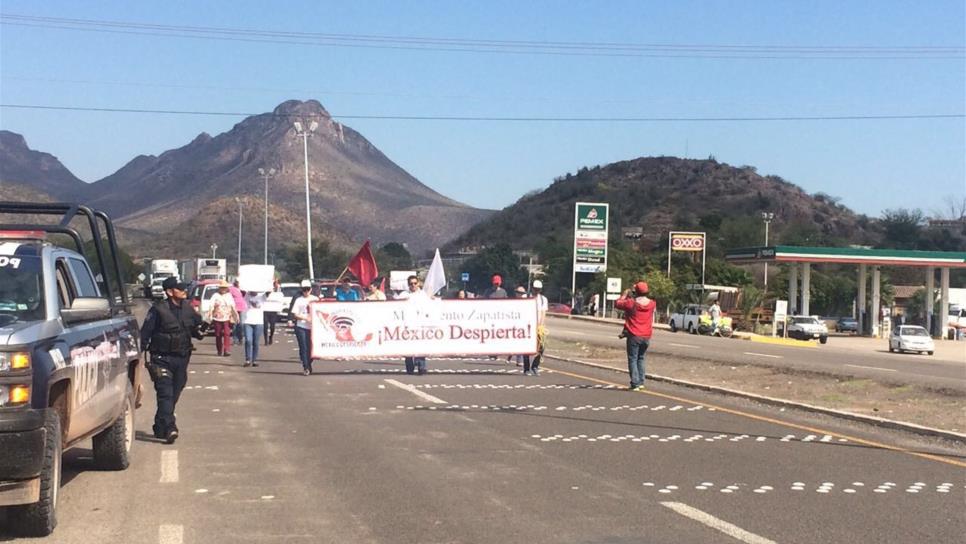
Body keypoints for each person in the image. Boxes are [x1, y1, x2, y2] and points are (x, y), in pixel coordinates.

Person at [139, 276, 205, 443]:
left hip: (181, 359)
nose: (184, 291)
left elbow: (197, 328)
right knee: (165, 393)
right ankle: (170, 427)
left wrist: (203, 328)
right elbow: (145, 334)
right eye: (179, 288)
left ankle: (160, 424)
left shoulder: (188, 308)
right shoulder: (158, 310)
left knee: (175, 392)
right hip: (161, 358)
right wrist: (138, 358)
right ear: (169, 292)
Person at [615, 281, 657, 391]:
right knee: (641, 358)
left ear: (635, 292)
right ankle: (641, 382)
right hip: (646, 336)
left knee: (633, 359)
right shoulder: (652, 304)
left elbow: (618, 303)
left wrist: (625, 294)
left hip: (634, 334)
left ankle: (635, 383)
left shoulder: (631, 303)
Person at [394, 275, 429, 375]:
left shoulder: (423, 294)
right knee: (408, 346)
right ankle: (409, 366)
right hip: (407, 324)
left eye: (415, 283)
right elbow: (395, 305)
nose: (413, 285)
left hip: (420, 324)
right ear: (408, 285)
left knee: (421, 345)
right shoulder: (404, 294)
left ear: (418, 283)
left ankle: (421, 366)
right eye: (411, 284)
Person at [290, 280, 318, 376]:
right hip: (301, 326)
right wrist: (305, 318)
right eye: (304, 289)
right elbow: (295, 314)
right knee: (303, 347)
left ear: (311, 289)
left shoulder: (315, 299)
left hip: (313, 328)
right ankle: (306, 366)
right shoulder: (298, 300)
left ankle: (309, 363)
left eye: (308, 289)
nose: (306, 291)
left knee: (311, 348)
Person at [207, 280, 238, 357]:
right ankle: (219, 350)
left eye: (225, 288)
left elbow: (233, 306)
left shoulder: (229, 296)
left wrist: (235, 315)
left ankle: (226, 349)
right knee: (218, 334)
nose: (223, 289)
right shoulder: (215, 295)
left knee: (227, 333)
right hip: (217, 317)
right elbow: (211, 305)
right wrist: (210, 313)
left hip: (227, 317)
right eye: (222, 288)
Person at [524, 280, 549, 376]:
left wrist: (540, 326)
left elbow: (543, 313)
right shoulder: (526, 297)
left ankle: (535, 366)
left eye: (538, 289)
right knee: (526, 348)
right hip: (527, 326)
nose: (536, 291)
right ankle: (526, 368)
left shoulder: (543, 300)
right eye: (535, 289)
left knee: (541, 347)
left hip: (538, 327)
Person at [242, 290, 266, 367]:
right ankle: (248, 359)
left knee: (255, 342)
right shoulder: (246, 295)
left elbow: (269, 291)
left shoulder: (262, 296)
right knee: (248, 340)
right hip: (248, 321)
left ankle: (254, 360)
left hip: (258, 322)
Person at [262, 280, 285, 345]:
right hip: (265, 310)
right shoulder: (267, 292)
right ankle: (266, 340)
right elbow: (264, 296)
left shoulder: (279, 293)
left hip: (273, 311)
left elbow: (281, 300)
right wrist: (268, 291)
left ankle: (271, 336)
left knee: (272, 326)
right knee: (265, 326)